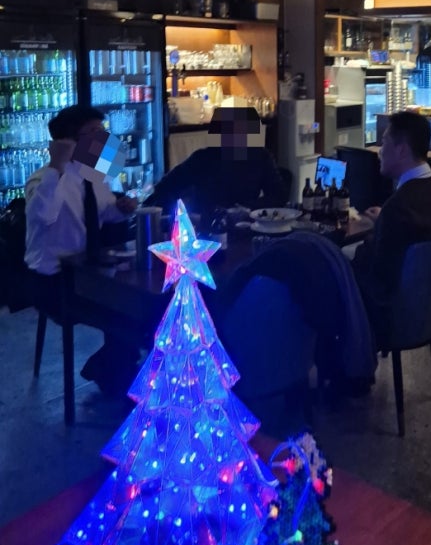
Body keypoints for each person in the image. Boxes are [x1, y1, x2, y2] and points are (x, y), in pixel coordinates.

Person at [24, 105, 141, 394]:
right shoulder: (44, 179)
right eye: (93, 133)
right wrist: (56, 165)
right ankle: (114, 376)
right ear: (69, 141)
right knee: (124, 310)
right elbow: (43, 216)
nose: (103, 140)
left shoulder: (93, 174)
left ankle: (109, 369)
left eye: (103, 132)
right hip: (52, 280)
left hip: (87, 271)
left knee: (136, 304)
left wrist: (121, 209)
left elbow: (104, 212)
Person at [352, 111, 431, 345]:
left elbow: (378, 277)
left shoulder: (398, 208)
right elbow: (418, 229)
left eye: (384, 143)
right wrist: (383, 222)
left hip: (391, 318)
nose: (380, 151)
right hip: (427, 313)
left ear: (401, 150)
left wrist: (375, 233)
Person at [145, 106, 287, 221]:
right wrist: (180, 217)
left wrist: (248, 208)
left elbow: (279, 195)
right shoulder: (203, 158)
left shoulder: (260, 156)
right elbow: (166, 186)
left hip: (244, 223)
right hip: (207, 224)